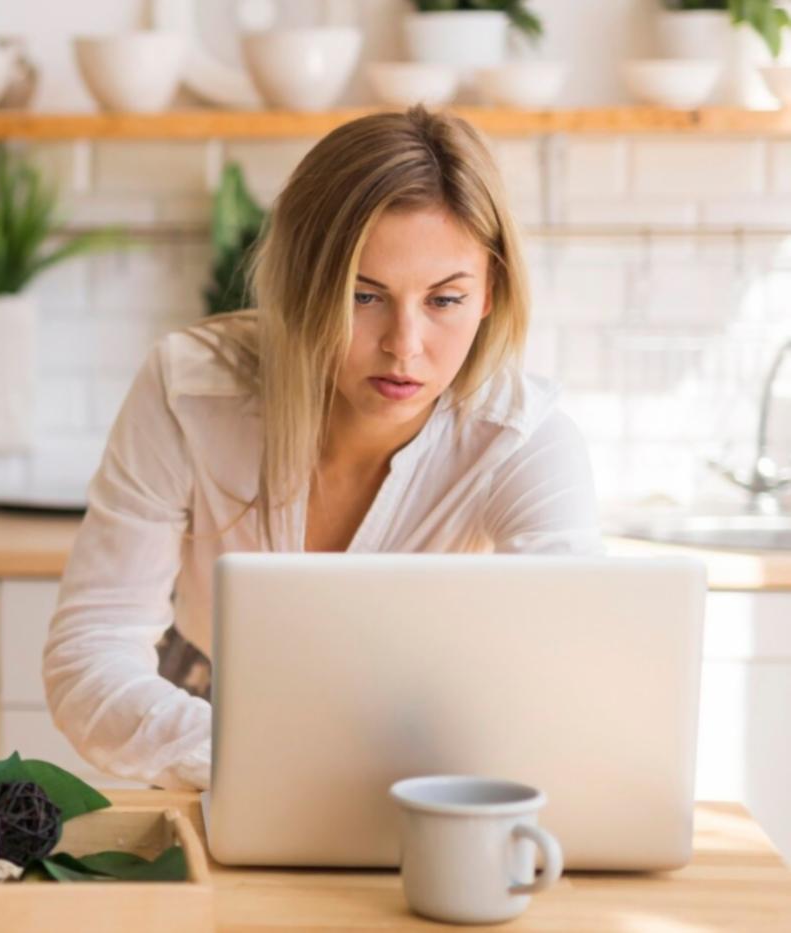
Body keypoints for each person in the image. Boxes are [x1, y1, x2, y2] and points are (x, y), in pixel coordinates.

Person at [42, 106, 602, 791]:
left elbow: (571, 667)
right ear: (304, 287)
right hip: (203, 719)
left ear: (490, 292)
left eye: (444, 300)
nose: (404, 345)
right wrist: (262, 765)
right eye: (363, 296)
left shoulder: (521, 438)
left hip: (428, 752)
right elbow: (89, 649)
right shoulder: (190, 390)